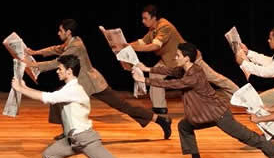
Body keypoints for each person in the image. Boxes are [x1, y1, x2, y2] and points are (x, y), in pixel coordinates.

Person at [11, 54, 168, 158]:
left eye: (60, 69)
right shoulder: (68, 88)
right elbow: (50, 96)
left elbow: (48, 98)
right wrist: (23, 87)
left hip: (85, 139)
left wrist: (22, 89)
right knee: (49, 155)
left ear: (69, 71)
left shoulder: (74, 90)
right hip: (73, 140)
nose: (57, 71)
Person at [136, 42, 274, 158]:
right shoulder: (184, 69)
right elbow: (169, 70)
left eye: (177, 55)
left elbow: (172, 83)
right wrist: (147, 69)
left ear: (186, 58)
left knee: (249, 138)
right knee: (184, 126)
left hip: (218, 114)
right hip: (204, 115)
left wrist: (145, 80)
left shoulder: (194, 74)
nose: (175, 57)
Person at [26, 19, 171, 140]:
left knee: (123, 106)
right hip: (82, 83)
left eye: (60, 31)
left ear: (68, 32)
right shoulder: (71, 42)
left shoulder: (76, 45)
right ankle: (68, 132)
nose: (58, 33)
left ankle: (160, 120)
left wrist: (35, 66)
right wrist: (35, 52)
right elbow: (56, 49)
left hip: (93, 83)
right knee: (58, 100)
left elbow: (58, 62)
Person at [128, 4, 239, 114]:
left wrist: (133, 48)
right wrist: (125, 45)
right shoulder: (152, 30)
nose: (143, 21)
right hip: (171, 61)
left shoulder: (164, 26)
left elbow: (155, 46)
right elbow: (141, 42)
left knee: (216, 79)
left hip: (188, 60)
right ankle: (159, 107)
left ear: (154, 18)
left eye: (145, 18)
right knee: (155, 74)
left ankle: (245, 99)